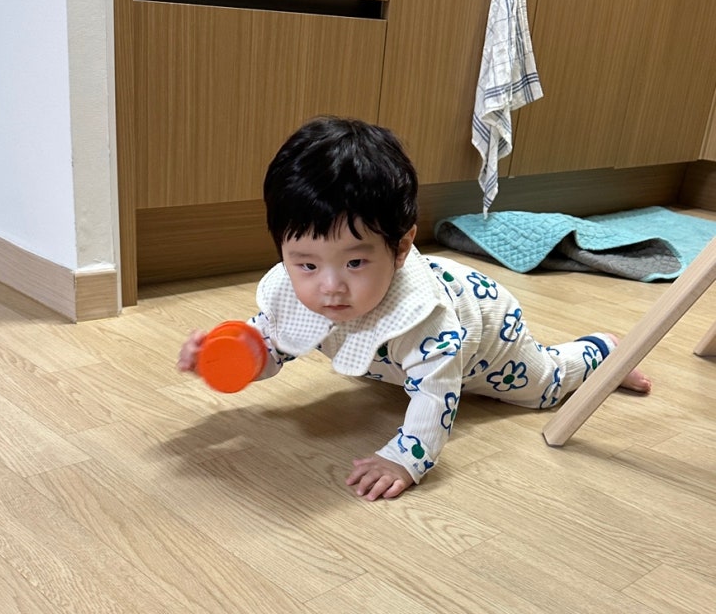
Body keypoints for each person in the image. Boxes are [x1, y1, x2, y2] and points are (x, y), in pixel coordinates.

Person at [178, 118, 651, 501]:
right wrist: (232, 355)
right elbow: (272, 343)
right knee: (399, 364)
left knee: (543, 388)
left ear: (402, 247)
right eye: (306, 264)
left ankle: (602, 350)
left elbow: (436, 396)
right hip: (409, 356)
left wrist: (405, 459)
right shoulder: (301, 291)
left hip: (489, 338)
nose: (330, 287)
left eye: (355, 262)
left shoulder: (425, 318)